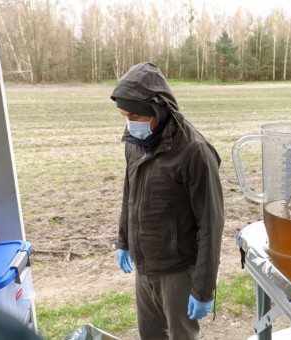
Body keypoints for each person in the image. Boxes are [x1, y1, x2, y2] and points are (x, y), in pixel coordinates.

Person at [111, 61, 224, 340]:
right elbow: (130, 193)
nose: (129, 122)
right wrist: (124, 241)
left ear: (157, 111)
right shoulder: (135, 142)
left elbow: (211, 223)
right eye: (124, 115)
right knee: (149, 334)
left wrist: (203, 289)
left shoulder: (194, 152)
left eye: (135, 116)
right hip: (144, 265)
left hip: (178, 271)